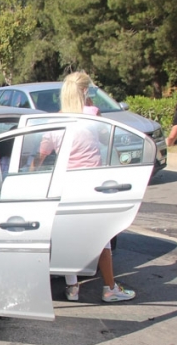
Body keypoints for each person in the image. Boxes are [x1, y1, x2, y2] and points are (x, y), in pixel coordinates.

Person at [57, 71, 136, 303]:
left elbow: (43, 151)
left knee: (67, 237)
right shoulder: (92, 114)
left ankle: (72, 288)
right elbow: (106, 139)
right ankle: (110, 287)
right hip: (92, 185)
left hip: (66, 186)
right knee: (102, 238)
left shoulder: (57, 119)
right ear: (85, 92)